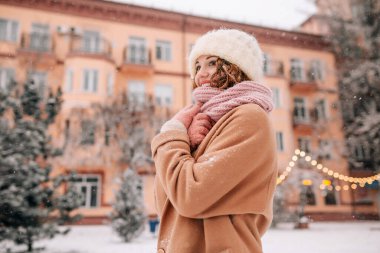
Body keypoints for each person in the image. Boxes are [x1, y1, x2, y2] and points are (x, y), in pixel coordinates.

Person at [151, 28, 278, 253]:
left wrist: (172, 133)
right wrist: (186, 143)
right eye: (197, 66)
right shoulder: (207, 122)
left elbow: (190, 197)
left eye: (212, 63)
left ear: (237, 67)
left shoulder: (249, 116)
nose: (201, 74)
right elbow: (167, 203)